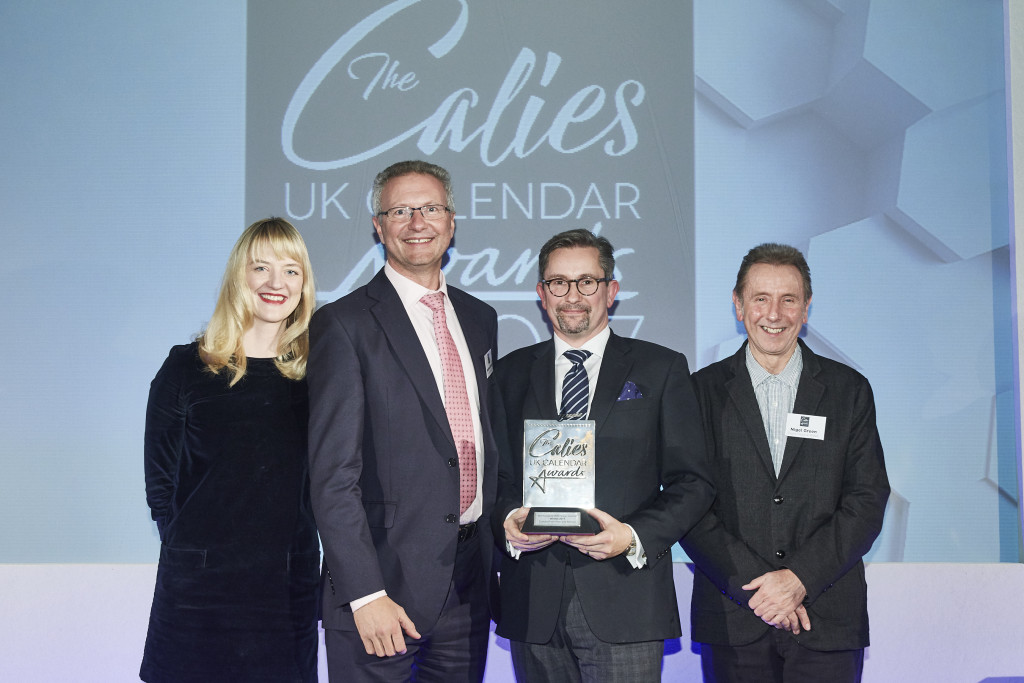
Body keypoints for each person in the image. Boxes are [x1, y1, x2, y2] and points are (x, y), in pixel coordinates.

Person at [492, 228, 715, 681]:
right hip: (533, 601)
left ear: (610, 291)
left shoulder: (661, 368)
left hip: (626, 599)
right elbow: (496, 478)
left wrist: (632, 536)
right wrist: (508, 524)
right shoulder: (511, 373)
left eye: (587, 282)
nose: (572, 296)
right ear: (541, 293)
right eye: (558, 282)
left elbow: (693, 482)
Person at [307, 160, 500, 682]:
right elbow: (332, 476)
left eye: (430, 208)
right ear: (378, 225)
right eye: (400, 210)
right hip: (382, 591)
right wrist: (364, 593)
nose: (418, 221)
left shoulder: (480, 319)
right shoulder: (342, 324)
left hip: (468, 586)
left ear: (452, 220)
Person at [679, 243, 890, 683]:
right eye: (760, 298)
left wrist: (798, 579)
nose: (773, 314)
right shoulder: (698, 393)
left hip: (827, 617)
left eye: (788, 299)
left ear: (806, 308)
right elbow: (689, 503)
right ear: (739, 306)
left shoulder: (848, 390)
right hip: (735, 617)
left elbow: (867, 500)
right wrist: (762, 589)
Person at [140, 218, 320, 683]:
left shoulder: (320, 376)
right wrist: (193, 553)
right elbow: (161, 486)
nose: (276, 283)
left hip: (284, 590)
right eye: (261, 268)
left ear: (304, 284)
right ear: (240, 277)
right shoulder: (186, 366)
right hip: (198, 592)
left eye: (291, 270)